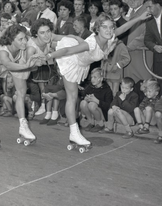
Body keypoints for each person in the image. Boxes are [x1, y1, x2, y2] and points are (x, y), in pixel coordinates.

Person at [44, 11, 151, 147]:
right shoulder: (92, 44)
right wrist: (49, 56)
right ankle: (74, 133)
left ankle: (48, 37)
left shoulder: (109, 36)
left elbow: (124, 28)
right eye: (105, 27)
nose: (109, 30)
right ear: (97, 28)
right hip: (72, 59)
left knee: (72, 94)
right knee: (72, 97)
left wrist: (140, 17)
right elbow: (67, 51)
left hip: (82, 60)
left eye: (111, 27)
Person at [123, 0, 153, 82]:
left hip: (141, 55)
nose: (131, 1)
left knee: (145, 85)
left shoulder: (148, 13)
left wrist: (130, 46)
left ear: (141, 0)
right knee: (130, 85)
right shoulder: (132, 12)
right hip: (131, 55)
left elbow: (147, 34)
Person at [79, 68, 113, 132]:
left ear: (101, 79)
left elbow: (108, 106)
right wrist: (85, 98)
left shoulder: (107, 89)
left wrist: (96, 101)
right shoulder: (90, 86)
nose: (92, 79)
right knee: (83, 103)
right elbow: (83, 93)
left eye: (95, 77)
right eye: (91, 77)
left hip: (102, 114)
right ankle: (91, 122)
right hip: (92, 113)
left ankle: (100, 124)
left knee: (92, 104)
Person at [144, 0, 162, 90]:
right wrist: (154, 46)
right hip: (159, 61)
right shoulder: (149, 21)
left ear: (158, 5)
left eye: (150, 6)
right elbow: (147, 40)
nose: (148, 10)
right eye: (146, 7)